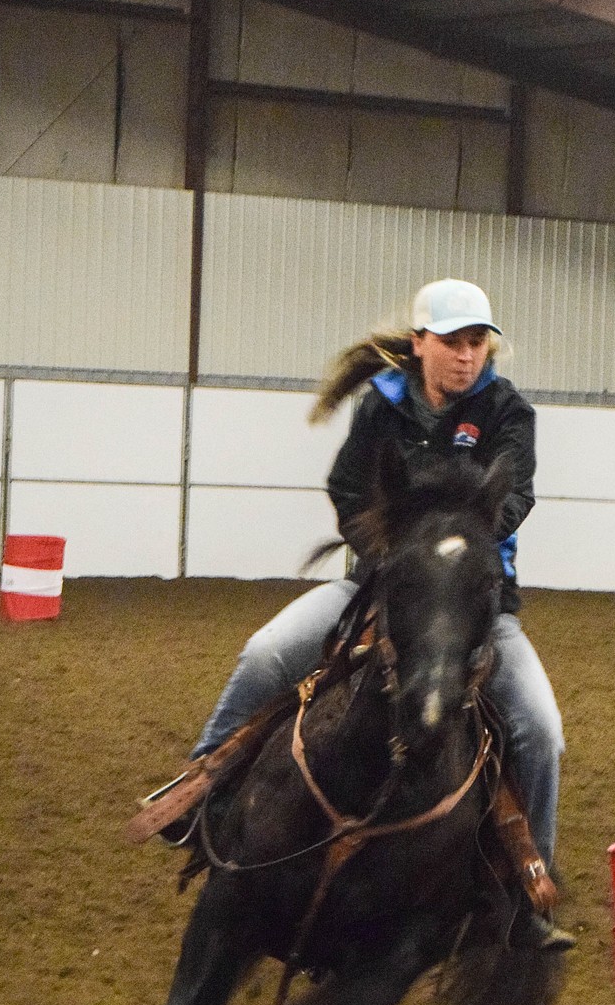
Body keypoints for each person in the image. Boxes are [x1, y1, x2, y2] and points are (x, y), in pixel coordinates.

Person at [189, 277, 570, 948]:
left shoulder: (509, 413)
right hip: (377, 589)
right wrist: (391, 561)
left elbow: (514, 498)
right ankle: (200, 788)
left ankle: (523, 895)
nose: (467, 355)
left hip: (476, 609)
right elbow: (345, 488)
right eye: (453, 341)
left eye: (477, 341)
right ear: (420, 344)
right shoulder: (380, 408)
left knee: (542, 729)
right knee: (266, 653)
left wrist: (452, 558)